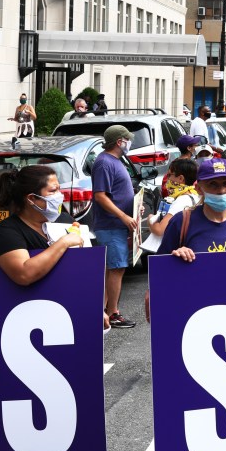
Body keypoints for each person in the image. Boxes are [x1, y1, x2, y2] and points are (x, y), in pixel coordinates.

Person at [0, 164, 99, 325]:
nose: (59, 196)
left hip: (73, 313)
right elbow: (24, 274)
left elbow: (89, 271)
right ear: (31, 198)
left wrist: (97, 308)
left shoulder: (65, 220)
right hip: (33, 320)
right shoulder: (7, 231)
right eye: (53, 191)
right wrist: (63, 243)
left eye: (59, 189)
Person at [91, 124, 139, 329]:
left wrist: (134, 211)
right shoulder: (104, 163)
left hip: (117, 224)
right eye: (127, 139)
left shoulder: (115, 161)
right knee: (116, 267)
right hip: (110, 225)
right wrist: (123, 216)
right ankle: (113, 313)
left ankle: (104, 312)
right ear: (120, 141)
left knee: (115, 268)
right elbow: (100, 196)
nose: (130, 143)